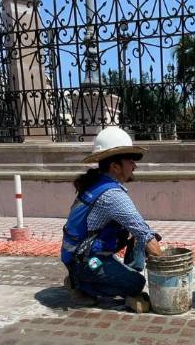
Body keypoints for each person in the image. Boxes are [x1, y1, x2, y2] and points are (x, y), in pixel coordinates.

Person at [61, 127, 162, 304]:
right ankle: (79, 284)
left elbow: (140, 230)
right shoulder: (112, 195)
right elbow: (147, 239)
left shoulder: (99, 183)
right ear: (115, 166)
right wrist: (168, 267)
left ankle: (120, 275)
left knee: (140, 234)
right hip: (86, 261)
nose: (135, 166)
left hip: (85, 251)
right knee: (137, 284)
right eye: (130, 161)